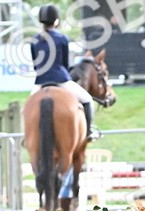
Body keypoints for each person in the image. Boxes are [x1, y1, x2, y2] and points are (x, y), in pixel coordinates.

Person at [30, 4, 93, 132]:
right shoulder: (62, 38)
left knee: (26, 108)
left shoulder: (34, 40)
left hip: (41, 82)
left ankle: (28, 135)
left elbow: (36, 65)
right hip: (60, 79)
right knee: (87, 100)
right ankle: (88, 132)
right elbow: (64, 64)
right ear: (56, 20)